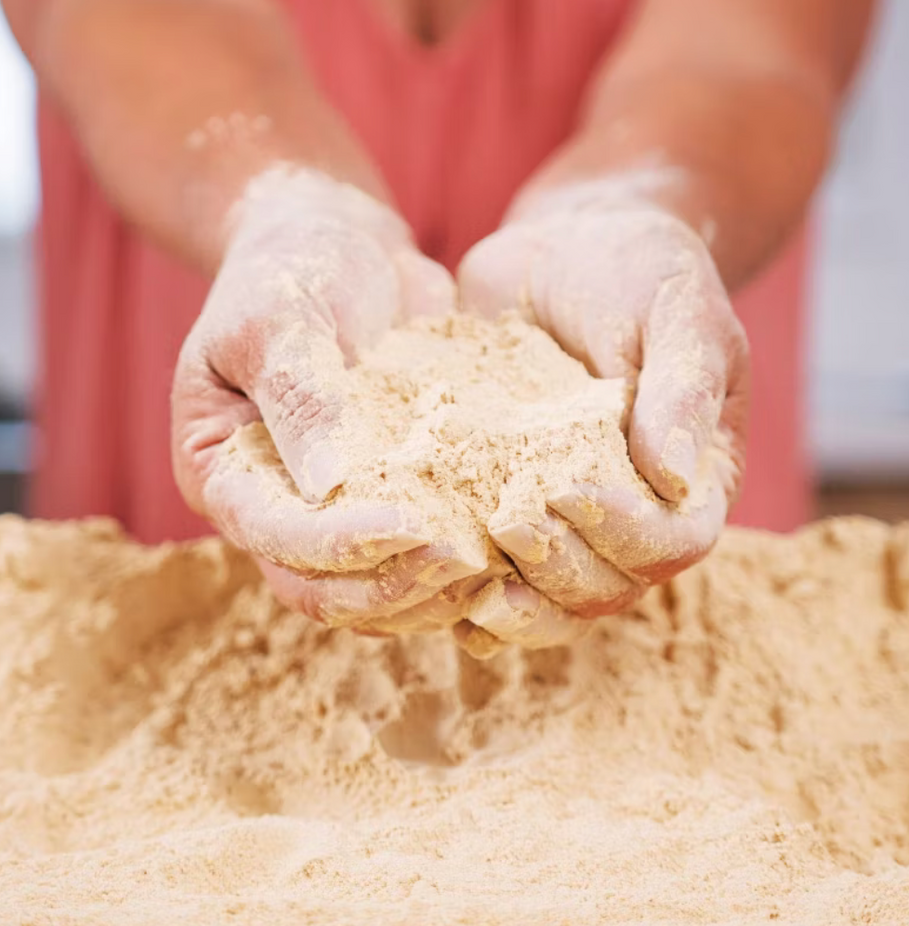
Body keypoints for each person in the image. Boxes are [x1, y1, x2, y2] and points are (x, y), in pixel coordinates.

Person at [4, 0, 875, 629]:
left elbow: (755, 41)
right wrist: (274, 206)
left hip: (648, 274)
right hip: (203, 192)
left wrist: (641, 200)